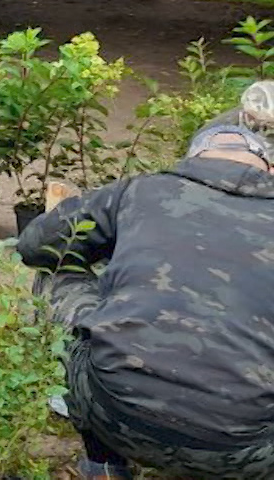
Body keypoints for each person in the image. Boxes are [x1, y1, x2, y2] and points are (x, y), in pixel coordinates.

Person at [17, 123, 274, 480]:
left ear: (192, 158)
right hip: (248, 454)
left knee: (55, 269)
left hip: (114, 416)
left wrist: (118, 251)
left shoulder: (141, 190)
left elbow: (35, 245)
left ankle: (103, 463)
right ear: (269, 169)